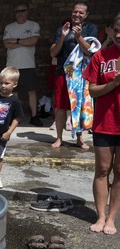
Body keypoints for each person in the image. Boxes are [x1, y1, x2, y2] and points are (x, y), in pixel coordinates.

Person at [82, 14, 120, 235]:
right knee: (102, 170)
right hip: (104, 123)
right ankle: (101, 216)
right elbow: (93, 90)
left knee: (119, 171)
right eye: (115, 29)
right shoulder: (101, 57)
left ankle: (112, 219)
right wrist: (114, 83)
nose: (117, 35)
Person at [50, 3, 97, 149]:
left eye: (81, 13)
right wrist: (63, 37)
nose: (77, 14)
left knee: (80, 105)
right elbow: (53, 53)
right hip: (63, 71)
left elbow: (90, 51)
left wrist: (78, 36)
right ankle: (59, 138)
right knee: (60, 107)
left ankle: (79, 138)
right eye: (75, 12)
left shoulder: (90, 28)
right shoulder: (62, 28)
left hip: (81, 73)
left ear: (86, 15)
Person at [3, 3, 43, 127]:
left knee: (31, 91)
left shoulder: (33, 25)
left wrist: (16, 41)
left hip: (28, 64)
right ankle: (15, 117)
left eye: (22, 11)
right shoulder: (9, 27)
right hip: (12, 65)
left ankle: (34, 116)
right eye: (17, 11)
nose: (19, 13)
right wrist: (24, 42)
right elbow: (6, 44)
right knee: (13, 92)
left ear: (27, 12)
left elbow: (34, 41)